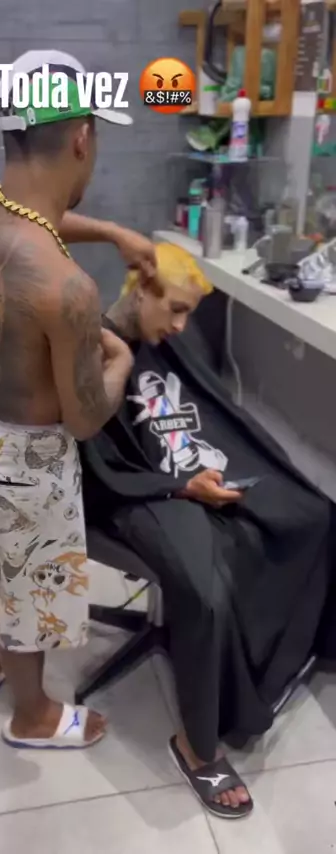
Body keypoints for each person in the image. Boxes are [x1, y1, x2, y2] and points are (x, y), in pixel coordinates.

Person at [80, 241, 335, 819]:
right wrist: (181, 487)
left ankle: (308, 646)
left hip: (192, 470)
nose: (181, 326)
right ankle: (197, 747)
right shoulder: (92, 348)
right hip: (130, 488)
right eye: (174, 309)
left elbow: (219, 414)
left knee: (314, 512)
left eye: (188, 313)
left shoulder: (165, 342)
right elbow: (100, 461)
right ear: (139, 291)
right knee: (206, 588)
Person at [0, 49, 145, 750]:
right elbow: (84, 418)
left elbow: (30, 219)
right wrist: (120, 358)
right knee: (32, 589)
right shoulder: (69, 289)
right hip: (25, 463)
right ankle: (34, 717)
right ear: (82, 136)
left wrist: (112, 232)